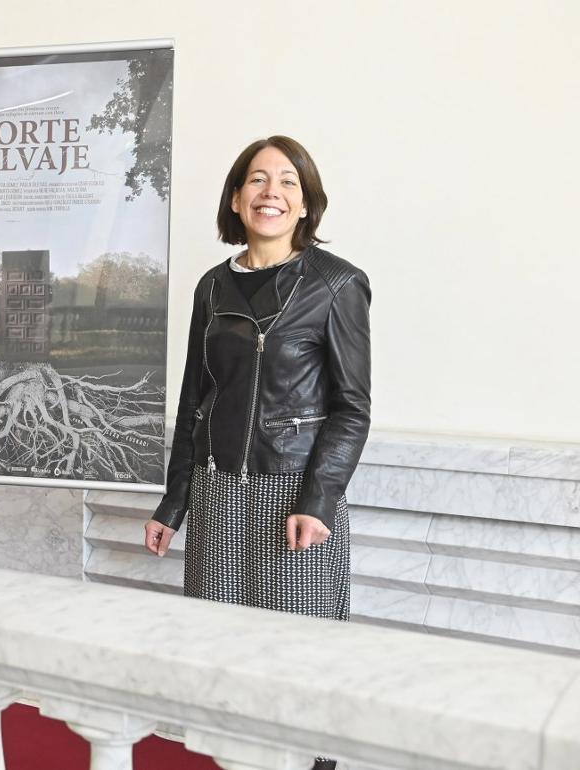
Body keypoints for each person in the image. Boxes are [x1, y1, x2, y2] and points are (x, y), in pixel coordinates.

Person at [144, 136, 370, 770]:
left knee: (299, 665)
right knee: (219, 660)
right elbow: (196, 400)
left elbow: (353, 407)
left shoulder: (338, 284)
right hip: (219, 494)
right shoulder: (213, 286)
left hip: (294, 500)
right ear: (237, 198)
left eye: (288, 182)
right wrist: (173, 503)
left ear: (305, 203)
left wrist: (319, 500)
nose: (272, 192)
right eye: (257, 180)